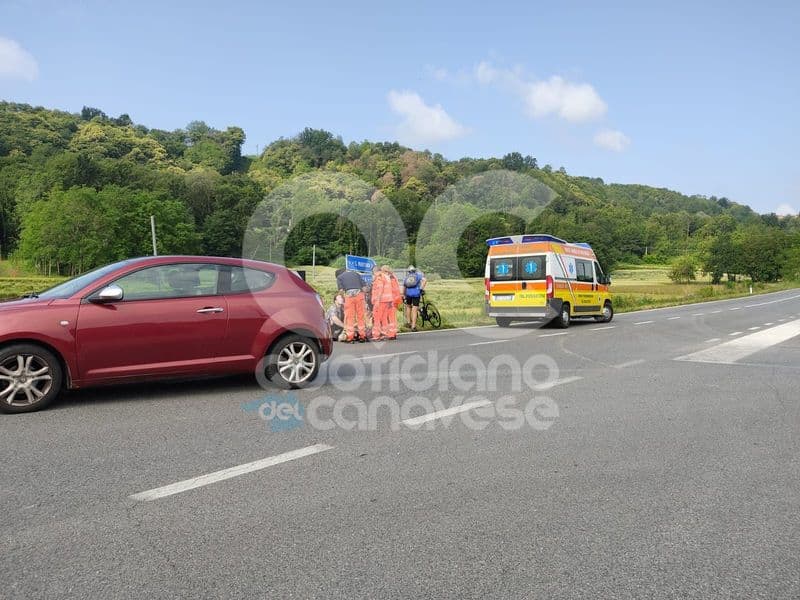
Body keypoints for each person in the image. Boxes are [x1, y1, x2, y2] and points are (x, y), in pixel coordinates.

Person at [335, 267, 367, 342]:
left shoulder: (339, 277)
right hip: (359, 295)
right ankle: (362, 336)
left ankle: (350, 337)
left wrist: (343, 298)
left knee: (350, 317)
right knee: (360, 316)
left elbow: (341, 290)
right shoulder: (356, 274)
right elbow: (365, 288)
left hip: (349, 297)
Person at [371, 265, 402, 340]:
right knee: (391, 319)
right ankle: (392, 334)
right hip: (392, 299)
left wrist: (377, 300)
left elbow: (380, 289)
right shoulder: (392, 277)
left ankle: (377, 335)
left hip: (383, 300)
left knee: (378, 318)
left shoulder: (381, 277)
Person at [402, 265, 426, 332]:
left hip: (408, 294)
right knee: (415, 309)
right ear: (415, 270)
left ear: (408, 271)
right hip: (416, 293)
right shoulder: (418, 275)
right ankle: (413, 326)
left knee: (408, 307)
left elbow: (404, 287)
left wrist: (403, 295)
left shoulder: (406, 277)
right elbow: (424, 280)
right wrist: (421, 289)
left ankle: (408, 322)